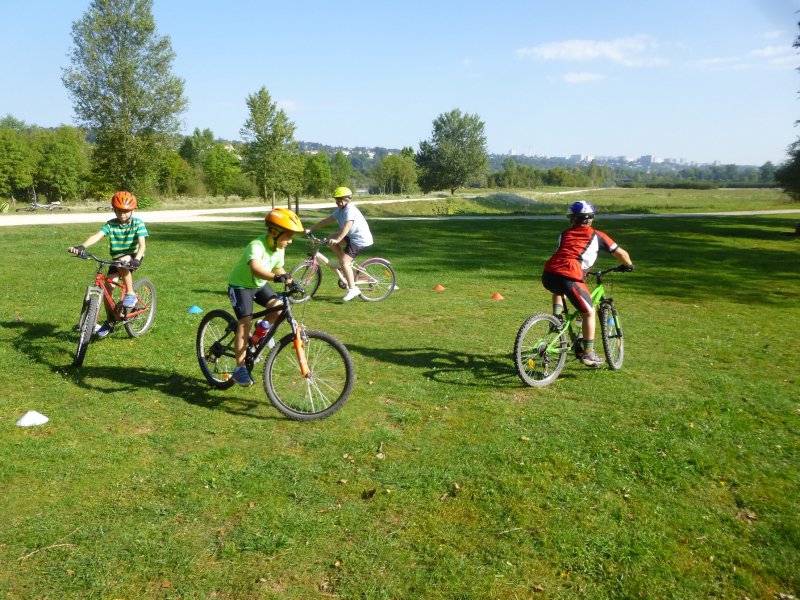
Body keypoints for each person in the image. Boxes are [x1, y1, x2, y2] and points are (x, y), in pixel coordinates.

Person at [541, 200, 634, 368]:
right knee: (589, 313)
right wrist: (628, 266)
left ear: (574, 219)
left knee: (559, 289)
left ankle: (556, 318)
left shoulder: (565, 234)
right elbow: (621, 253)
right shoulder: (597, 236)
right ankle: (589, 353)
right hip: (570, 274)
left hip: (549, 274)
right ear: (590, 219)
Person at [228, 207, 304, 387]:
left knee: (277, 308)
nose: (290, 241)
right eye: (289, 236)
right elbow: (256, 268)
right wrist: (276, 277)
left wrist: (288, 280)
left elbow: (278, 268)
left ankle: (258, 336)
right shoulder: (256, 245)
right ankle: (239, 369)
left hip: (259, 285)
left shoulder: (278, 248)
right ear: (274, 232)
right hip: (240, 286)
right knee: (244, 323)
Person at [68, 191, 148, 338]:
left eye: (125, 211)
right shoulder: (111, 224)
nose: (122, 214)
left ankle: (131, 294)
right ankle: (110, 322)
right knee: (107, 289)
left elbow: (142, 245)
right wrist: (82, 247)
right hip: (117, 260)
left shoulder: (138, 223)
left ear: (133, 210)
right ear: (114, 209)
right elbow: (97, 236)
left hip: (133, 257)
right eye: (118, 210)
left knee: (123, 260)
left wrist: (136, 258)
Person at [305, 186, 374, 302]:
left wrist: (338, 240)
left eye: (339, 200)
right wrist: (311, 229)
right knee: (330, 238)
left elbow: (347, 227)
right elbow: (327, 220)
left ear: (347, 200)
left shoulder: (350, 210)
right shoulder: (341, 210)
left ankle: (353, 289)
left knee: (344, 261)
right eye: (336, 200)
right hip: (351, 237)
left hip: (359, 239)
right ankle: (343, 265)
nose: (337, 202)